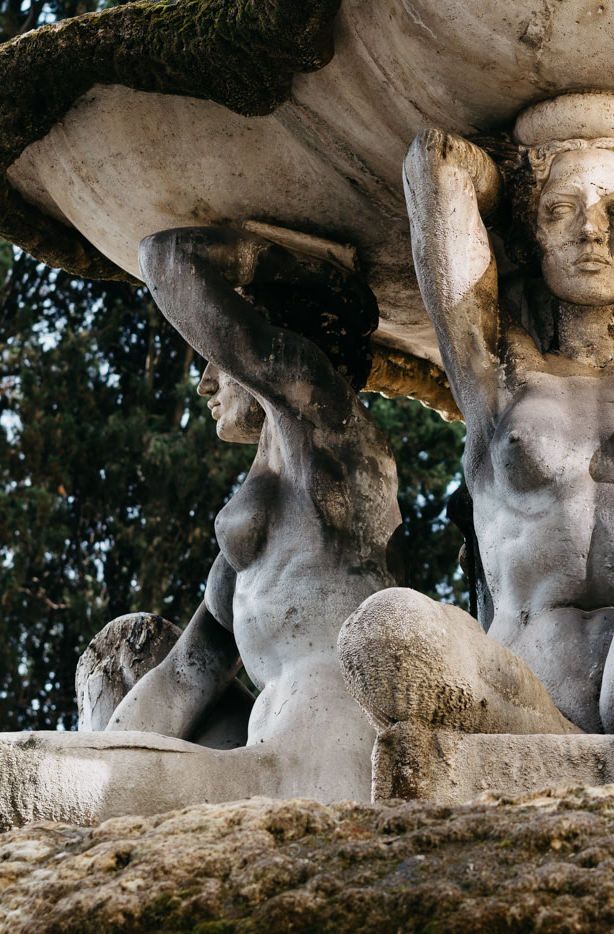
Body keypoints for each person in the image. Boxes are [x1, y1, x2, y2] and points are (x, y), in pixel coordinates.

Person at [339, 91, 614, 740]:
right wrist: (510, 181)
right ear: (534, 236)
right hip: (525, 699)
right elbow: (434, 166)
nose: (590, 230)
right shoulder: (499, 378)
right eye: (561, 211)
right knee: (386, 628)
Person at [96, 225, 402, 801]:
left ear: (278, 352)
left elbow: (167, 260)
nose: (205, 380)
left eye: (216, 354)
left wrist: (296, 268)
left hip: (327, 745)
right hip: (266, 735)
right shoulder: (260, 521)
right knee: (117, 655)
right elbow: (186, 676)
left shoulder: (332, 431)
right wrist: (97, 779)